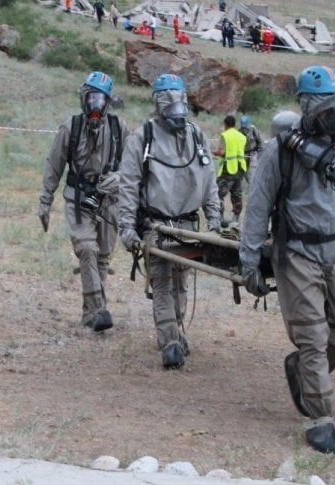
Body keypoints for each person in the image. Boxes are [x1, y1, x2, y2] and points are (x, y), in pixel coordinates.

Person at [239, 65, 335, 455]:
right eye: (326, 108)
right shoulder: (279, 151)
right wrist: (249, 260)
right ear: (307, 106)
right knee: (313, 338)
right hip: (298, 253)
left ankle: (301, 371)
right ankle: (320, 418)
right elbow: (257, 208)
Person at [118, 74, 220, 369]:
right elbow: (128, 184)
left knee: (181, 281)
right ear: (158, 104)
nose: (176, 110)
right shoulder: (143, 138)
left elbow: (209, 180)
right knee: (162, 282)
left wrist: (214, 219)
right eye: (169, 103)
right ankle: (170, 341)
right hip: (156, 226)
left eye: (180, 102)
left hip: (188, 226)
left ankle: (176, 329)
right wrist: (126, 225)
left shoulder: (196, 136)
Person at [38, 71, 129, 333]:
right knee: (86, 249)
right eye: (91, 99)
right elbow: (53, 167)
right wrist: (45, 202)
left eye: (101, 100)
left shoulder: (119, 129)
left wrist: (118, 178)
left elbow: (133, 167)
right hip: (77, 201)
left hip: (109, 201)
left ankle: (92, 314)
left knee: (102, 258)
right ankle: (98, 310)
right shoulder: (71, 128)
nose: (95, 106)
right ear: (83, 99)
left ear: (108, 102)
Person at [213, 115, 247, 223]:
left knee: (218, 193)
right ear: (235, 124)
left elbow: (222, 152)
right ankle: (236, 218)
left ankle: (219, 217)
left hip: (228, 168)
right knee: (236, 193)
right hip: (240, 167)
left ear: (225, 124)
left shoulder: (225, 135)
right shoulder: (242, 136)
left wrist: (214, 152)